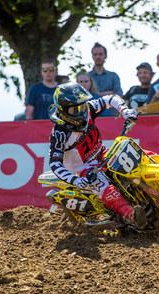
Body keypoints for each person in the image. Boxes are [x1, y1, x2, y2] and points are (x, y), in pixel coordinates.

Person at [47, 82, 146, 228]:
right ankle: (131, 215)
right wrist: (75, 180)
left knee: (134, 156)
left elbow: (110, 99)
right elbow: (55, 163)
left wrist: (125, 111)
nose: (81, 111)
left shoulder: (88, 109)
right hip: (82, 169)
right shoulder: (59, 133)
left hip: (101, 154)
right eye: (75, 109)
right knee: (102, 185)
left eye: (82, 106)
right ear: (63, 111)